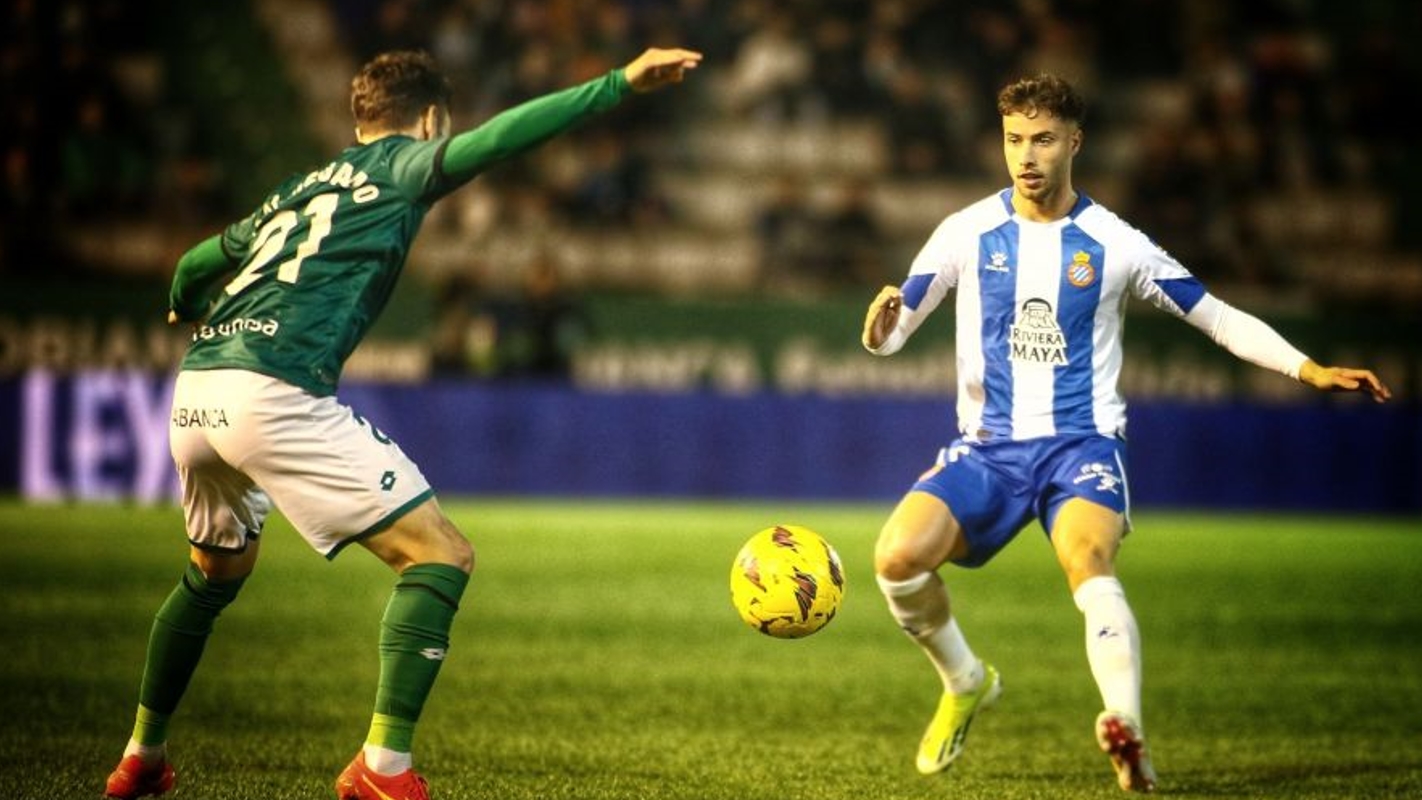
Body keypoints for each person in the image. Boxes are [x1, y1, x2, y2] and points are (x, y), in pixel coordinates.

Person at [103, 45, 702, 800]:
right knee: (439, 556)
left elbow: (194, 263)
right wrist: (617, 84)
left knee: (210, 576)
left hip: (196, 391)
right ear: (428, 120)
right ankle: (380, 771)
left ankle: (140, 758)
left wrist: (186, 307)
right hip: (273, 390)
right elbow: (501, 140)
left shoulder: (298, 188)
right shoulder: (401, 167)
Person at [860, 72, 1391, 794]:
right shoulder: (965, 232)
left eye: (1043, 139)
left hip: (1082, 446)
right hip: (988, 448)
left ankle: (1126, 731)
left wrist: (1309, 368)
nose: (1027, 155)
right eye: (1015, 139)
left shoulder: (1115, 244)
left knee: (1089, 563)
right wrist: (880, 331)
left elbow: (1217, 316)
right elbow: (896, 331)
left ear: (1074, 142)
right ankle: (966, 680)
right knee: (896, 559)